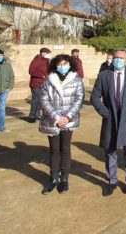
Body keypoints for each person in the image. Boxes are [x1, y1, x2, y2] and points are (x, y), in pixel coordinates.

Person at [91, 48, 126, 196]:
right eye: (116, 57)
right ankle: (112, 181)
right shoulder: (104, 75)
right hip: (110, 118)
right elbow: (95, 97)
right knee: (110, 151)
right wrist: (104, 112)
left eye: (121, 58)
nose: (118, 60)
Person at [38, 54, 85, 195]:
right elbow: (44, 99)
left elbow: (79, 99)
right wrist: (56, 117)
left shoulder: (76, 80)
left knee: (65, 148)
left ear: (70, 64)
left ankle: (64, 178)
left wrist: (68, 117)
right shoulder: (48, 80)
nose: (62, 66)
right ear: (55, 65)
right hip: (52, 120)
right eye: (59, 64)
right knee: (54, 150)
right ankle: (53, 178)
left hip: (68, 120)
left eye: (65, 63)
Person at [27, 47, 51, 123]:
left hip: (43, 83)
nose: (48, 55)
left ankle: (37, 115)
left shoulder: (46, 61)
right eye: (47, 53)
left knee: (41, 101)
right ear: (43, 53)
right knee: (36, 100)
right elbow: (31, 71)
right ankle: (32, 116)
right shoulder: (36, 60)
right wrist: (42, 75)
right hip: (36, 83)